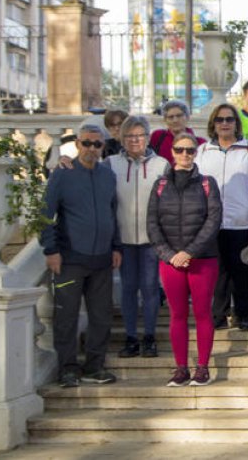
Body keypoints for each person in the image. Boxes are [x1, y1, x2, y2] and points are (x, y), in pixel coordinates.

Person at [42, 124, 122, 387]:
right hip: (69, 259)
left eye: (97, 144)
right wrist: (51, 250)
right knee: (66, 316)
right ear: (77, 144)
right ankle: (67, 368)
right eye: (86, 143)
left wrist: (116, 247)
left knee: (101, 316)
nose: (91, 149)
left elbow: (113, 214)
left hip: (101, 259)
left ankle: (94, 367)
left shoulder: (107, 175)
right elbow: (45, 214)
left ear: (103, 147)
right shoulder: (62, 174)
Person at [148, 132, 223, 387]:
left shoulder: (207, 183)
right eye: (180, 150)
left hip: (202, 259)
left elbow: (213, 220)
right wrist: (170, 255)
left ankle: (202, 367)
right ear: (172, 152)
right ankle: (181, 367)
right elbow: (152, 224)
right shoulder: (160, 185)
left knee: (202, 313)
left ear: (196, 153)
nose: (184, 155)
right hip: (171, 262)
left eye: (190, 150)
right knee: (177, 314)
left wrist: (189, 252)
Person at [196, 104, 248, 332]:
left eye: (229, 119)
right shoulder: (203, 151)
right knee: (218, 270)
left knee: (241, 269)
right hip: (212, 222)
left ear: (236, 123)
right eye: (219, 120)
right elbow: (197, 185)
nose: (224, 124)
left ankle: (243, 314)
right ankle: (219, 313)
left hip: (241, 221)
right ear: (213, 125)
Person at [108, 116, 169, 360]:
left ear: (147, 137)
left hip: (151, 240)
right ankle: (131, 337)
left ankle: (150, 337)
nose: (135, 140)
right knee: (128, 289)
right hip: (123, 241)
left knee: (150, 289)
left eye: (140, 135)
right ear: (122, 139)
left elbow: (167, 204)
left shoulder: (161, 164)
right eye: (129, 136)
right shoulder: (111, 164)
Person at [150, 100, 205, 165]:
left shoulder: (200, 143)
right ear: (165, 120)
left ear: (187, 117)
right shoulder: (157, 137)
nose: (175, 120)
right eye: (171, 117)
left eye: (179, 116)